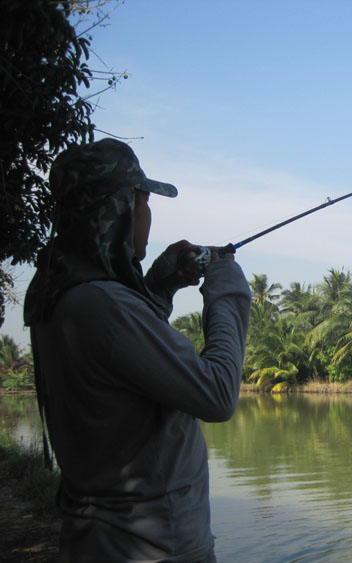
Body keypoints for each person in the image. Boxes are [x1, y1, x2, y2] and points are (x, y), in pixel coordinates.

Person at [23, 138, 251, 562]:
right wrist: (227, 286)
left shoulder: (58, 293)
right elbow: (218, 395)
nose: (147, 216)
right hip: (154, 547)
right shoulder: (103, 306)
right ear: (121, 208)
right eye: (144, 202)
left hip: (99, 542)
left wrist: (160, 285)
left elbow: (125, 361)